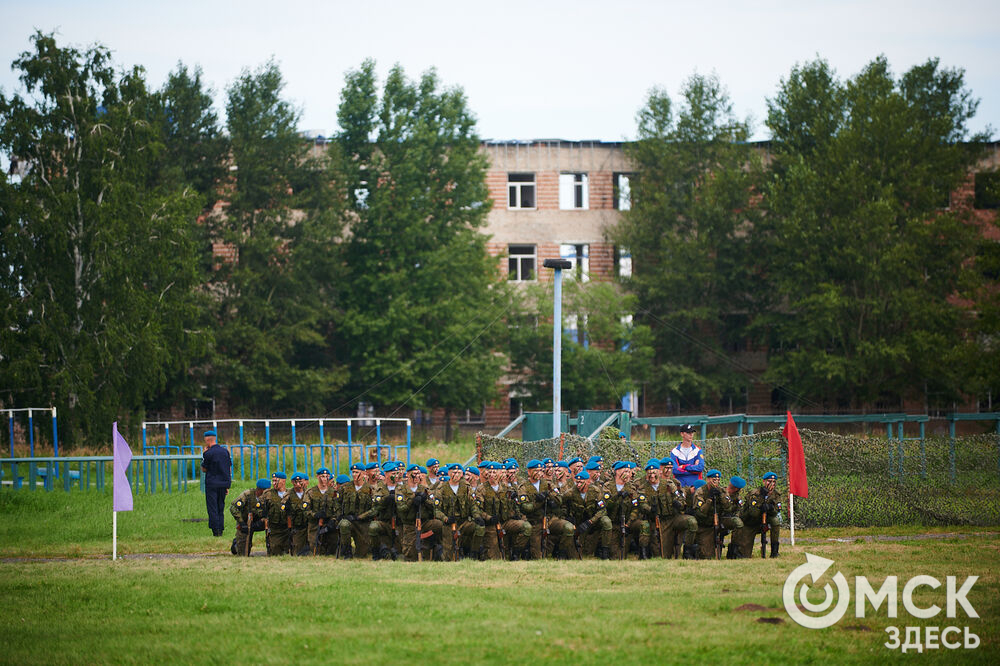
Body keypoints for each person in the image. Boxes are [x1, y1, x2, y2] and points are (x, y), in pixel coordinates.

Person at [736, 471, 782, 558]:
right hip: (750, 522)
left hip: (764, 520)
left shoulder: (776, 494)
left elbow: (776, 511)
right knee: (745, 555)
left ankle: (774, 551)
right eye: (769, 481)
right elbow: (754, 513)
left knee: (775, 521)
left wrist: (770, 508)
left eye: (774, 482)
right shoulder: (754, 494)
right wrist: (761, 502)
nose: (771, 484)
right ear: (764, 481)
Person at [200, 430, 231, 537]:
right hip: (223, 484)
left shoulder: (208, 453)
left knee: (212, 507)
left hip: (212, 484)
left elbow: (204, 469)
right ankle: (221, 529)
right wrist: (227, 485)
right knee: (220, 507)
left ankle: (215, 531)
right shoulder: (225, 452)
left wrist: (204, 455)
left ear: (207, 440)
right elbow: (229, 469)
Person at [305, 468, 340, 556]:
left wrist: (333, 520)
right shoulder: (311, 492)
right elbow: (305, 510)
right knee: (315, 548)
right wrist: (315, 514)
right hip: (315, 525)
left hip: (330, 524)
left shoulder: (334, 492)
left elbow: (338, 509)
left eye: (326, 477)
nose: (324, 479)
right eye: (322, 476)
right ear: (317, 477)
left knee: (332, 549)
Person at [229, 479, 268, 555]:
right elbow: (234, 508)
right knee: (242, 552)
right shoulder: (247, 495)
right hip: (245, 522)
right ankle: (236, 543)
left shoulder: (268, 497)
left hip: (261, 522)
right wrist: (241, 522)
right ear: (260, 490)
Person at [282, 472, 311, 555]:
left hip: (309, 525)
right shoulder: (288, 495)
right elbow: (284, 512)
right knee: (297, 549)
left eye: (300, 482)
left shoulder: (309, 493)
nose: (298, 484)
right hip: (297, 527)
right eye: (295, 482)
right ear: (292, 482)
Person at [262, 472, 290, 555]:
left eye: (276, 481)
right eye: (273, 481)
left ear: (283, 481)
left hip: (287, 527)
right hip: (274, 528)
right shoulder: (268, 494)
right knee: (274, 550)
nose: (274, 483)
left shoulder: (290, 494)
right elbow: (261, 509)